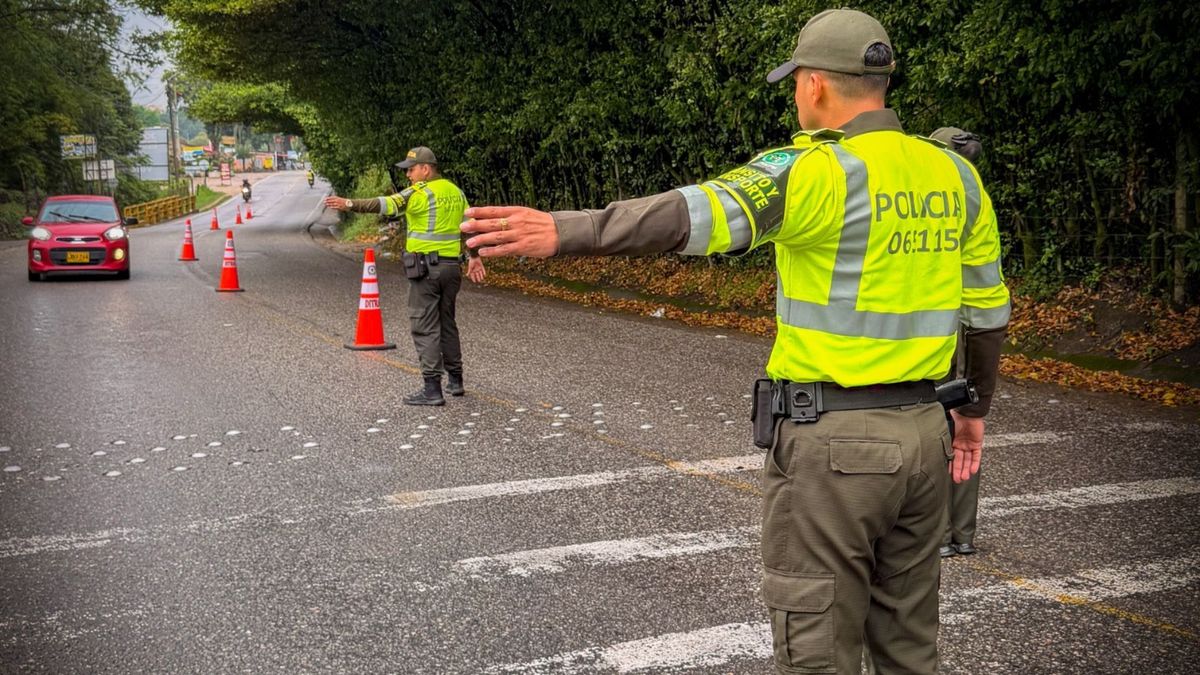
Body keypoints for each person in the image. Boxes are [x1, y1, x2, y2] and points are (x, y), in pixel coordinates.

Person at [461, 8, 1009, 673]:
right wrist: (971, 412)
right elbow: (986, 312)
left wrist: (566, 231)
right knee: (910, 647)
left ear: (813, 84)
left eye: (796, 83)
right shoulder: (956, 177)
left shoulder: (813, 171)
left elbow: (692, 214)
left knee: (816, 650)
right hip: (927, 434)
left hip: (835, 446)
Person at [325, 146, 486, 406]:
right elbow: (469, 225)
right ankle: (456, 381)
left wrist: (349, 204)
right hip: (451, 269)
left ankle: (432, 388)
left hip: (426, 271)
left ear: (426, 168)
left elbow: (383, 204)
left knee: (424, 326)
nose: (408, 175)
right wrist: (475, 256)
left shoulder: (418, 193)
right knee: (447, 322)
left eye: (411, 169)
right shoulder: (456, 192)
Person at [929, 127, 985, 560]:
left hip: (942, 334)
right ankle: (962, 533)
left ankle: (944, 533)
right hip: (972, 330)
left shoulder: (938, 205)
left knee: (944, 430)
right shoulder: (976, 202)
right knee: (964, 424)